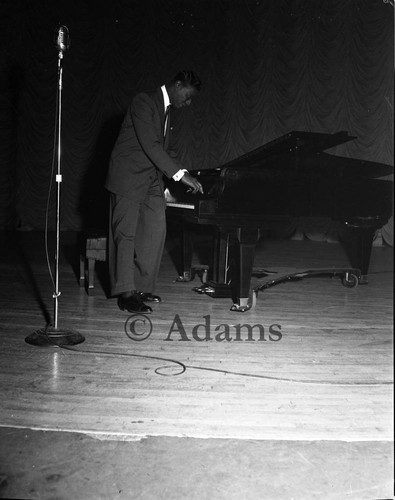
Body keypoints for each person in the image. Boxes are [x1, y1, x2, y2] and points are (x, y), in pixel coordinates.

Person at [105, 70, 203, 314]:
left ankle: (141, 288)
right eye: (188, 96)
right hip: (128, 178)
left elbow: (163, 150)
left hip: (150, 179)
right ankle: (126, 293)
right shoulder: (144, 101)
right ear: (178, 85)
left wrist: (184, 172)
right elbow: (150, 144)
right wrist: (180, 175)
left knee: (155, 230)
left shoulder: (166, 110)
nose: (188, 103)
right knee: (125, 235)